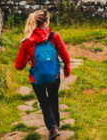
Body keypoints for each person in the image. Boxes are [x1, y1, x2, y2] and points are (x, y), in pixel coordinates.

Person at [15, 10, 71, 139]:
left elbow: (19, 65)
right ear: (46, 22)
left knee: (44, 102)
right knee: (53, 99)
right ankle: (56, 126)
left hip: (37, 78)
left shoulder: (27, 42)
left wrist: (28, 59)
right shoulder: (54, 37)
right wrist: (67, 68)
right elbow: (65, 55)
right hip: (54, 76)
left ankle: (52, 128)